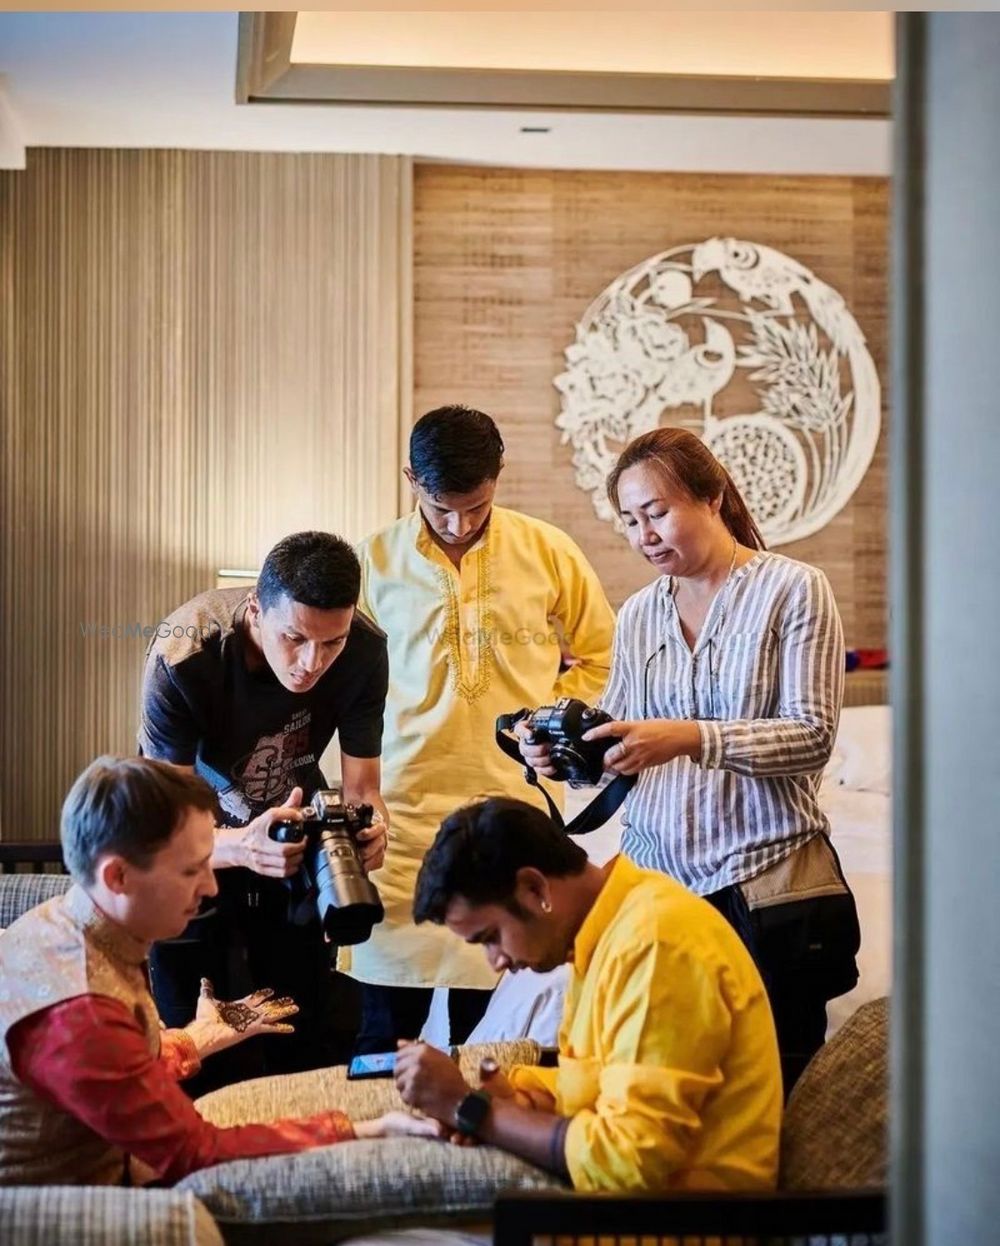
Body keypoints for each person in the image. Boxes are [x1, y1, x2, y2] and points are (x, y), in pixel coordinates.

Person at [520, 427, 860, 1092]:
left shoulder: (795, 590)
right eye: (630, 520)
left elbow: (812, 736)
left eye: (658, 512)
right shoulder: (639, 614)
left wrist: (689, 737)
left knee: (773, 1086)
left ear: (712, 497)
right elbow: (622, 742)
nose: (644, 533)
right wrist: (561, 756)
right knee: (660, 1080)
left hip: (766, 881)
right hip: (659, 887)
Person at [0, 758, 438, 1188]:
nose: (210, 887)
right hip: (80, 1207)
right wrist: (360, 1132)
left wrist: (196, 1038)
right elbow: (192, 1153)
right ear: (117, 876)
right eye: (191, 870)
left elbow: (111, 1073)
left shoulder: (61, 922)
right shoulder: (81, 1011)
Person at [347, 405, 616, 1053]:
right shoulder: (371, 563)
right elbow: (340, 681)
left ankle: (476, 1146)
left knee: (495, 1026)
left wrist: (545, 719)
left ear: (498, 478)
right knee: (382, 1028)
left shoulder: (548, 550)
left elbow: (606, 655)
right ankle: (378, 1152)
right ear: (411, 477)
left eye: (477, 505)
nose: (461, 523)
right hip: (399, 817)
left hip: (509, 812)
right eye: (443, 509)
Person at [393, 796, 782, 1192]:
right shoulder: (606, 931)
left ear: (534, 888)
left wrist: (472, 1110)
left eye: (491, 937)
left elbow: (628, 1162)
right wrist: (519, 1098)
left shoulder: (655, 942)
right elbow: (601, 1084)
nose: (496, 961)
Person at [138, 531, 390, 1083]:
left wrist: (373, 829)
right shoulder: (184, 655)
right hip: (193, 854)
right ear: (255, 607)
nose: (311, 664)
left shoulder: (366, 649)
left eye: (331, 644)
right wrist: (240, 845)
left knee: (303, 1039)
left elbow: (363, 787)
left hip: (290, 841)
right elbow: (164, 823)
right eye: (294, 638)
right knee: (193, 1049)